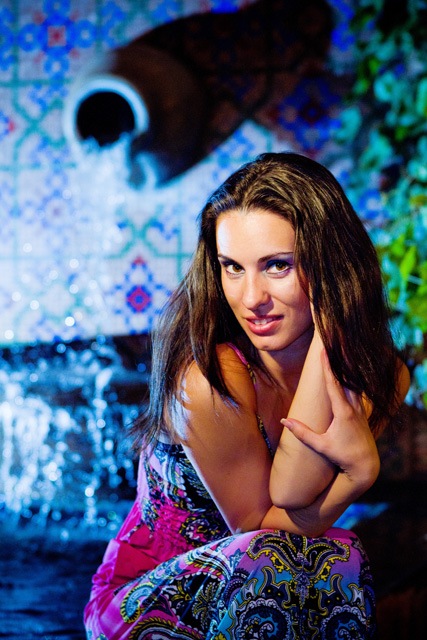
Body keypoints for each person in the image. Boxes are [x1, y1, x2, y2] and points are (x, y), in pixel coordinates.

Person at [84, 152, 410, 640]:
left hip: (256, 591)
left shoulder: (380, 375)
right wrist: (356, 477)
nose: (251, 298)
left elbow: (291, 494)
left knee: (335, 555)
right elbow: (262, 526)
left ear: (331, 267)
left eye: (277, 266)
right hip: (145, 600)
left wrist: (328, 337)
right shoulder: (210, 379)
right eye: (232, 267)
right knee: (287, 554)